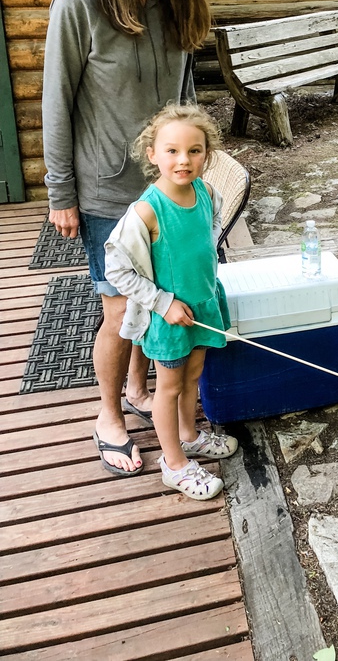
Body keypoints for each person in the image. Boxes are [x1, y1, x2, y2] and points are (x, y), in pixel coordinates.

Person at [42, 0, 212, 476]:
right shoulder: (78, 1)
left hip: (168, 186)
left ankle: (142, 390)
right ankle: (108, 416)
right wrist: (60, 192)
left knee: (155, 302)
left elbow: (185, 95)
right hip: (107, 187)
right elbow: (56, 102)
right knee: (120, 309)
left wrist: (196, 167)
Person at [104, 104, 237, 500]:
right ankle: (174, 464)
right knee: (168, 386)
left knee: (193, 376)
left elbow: (210, 228)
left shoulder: (205, 190)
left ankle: (189, 435)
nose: (184, 160)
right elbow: (118, 271)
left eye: (195, 151)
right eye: (172, 150)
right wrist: (163, 303)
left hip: (202, 308)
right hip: (169, 320)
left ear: (206, 155)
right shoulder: (146, 211)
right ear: (153, 154)